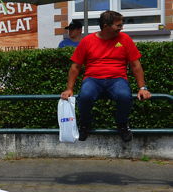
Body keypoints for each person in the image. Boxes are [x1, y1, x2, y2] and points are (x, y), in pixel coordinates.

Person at [60, 10, 151, 142]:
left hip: (117, 79)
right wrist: (69, 89)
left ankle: (122, 125)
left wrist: (142, 87)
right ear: (106, 26)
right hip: (93, 79)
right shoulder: (87, 41)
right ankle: (85, 125)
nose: (121, 28)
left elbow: (136, 65)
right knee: (84, 96)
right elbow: (75, 66)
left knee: (124, 96)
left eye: (121, 25)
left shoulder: (125, 39)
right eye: (118, 25)